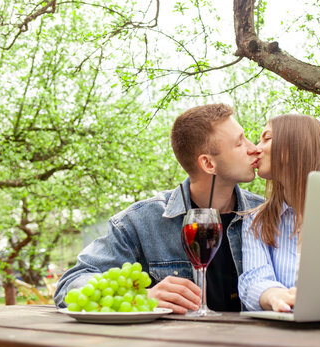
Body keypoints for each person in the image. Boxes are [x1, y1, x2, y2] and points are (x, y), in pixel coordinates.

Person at [54, 103, 264, 314]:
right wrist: (140, 297)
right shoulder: (140, 221)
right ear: (208, 164)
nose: (253, 147)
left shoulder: (264, 214)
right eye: (239, 143)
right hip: (175, 345)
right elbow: (70, 284)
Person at [238, 114, 320, 312]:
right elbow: (254, 280)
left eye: (267, 138)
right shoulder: (256, 220)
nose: (257, 148)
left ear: (294, 145)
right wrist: (274, 296)